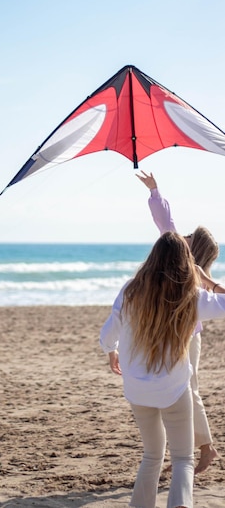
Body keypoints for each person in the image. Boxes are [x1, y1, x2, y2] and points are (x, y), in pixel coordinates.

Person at [100, 232, 225, 508]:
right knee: (182, 459)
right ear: (186, 263)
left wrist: (112, 351)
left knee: (152, 455)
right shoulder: (191, 296)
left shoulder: (131, 290)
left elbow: (108, 332)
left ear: (152, 257)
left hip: (137, 389)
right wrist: (210, 282)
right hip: (174, 389)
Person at [137, 170, 219, 475]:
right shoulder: (185, 264)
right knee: (178, 391)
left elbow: (165, 223)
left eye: (189, 236)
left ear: (192, 246)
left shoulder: (187, 262)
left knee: (187, 389)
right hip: (179, 334)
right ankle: (192, 448)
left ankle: (205, 447)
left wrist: (155, 191)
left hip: (187, 336)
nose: (182, 235)